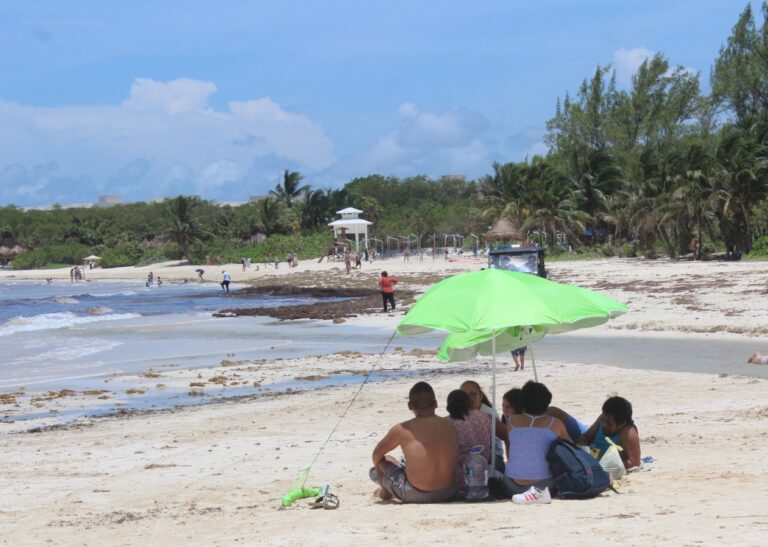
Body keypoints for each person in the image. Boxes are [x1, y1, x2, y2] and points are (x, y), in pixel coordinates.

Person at [370, 382, 458, 503]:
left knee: (381, 463)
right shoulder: (450, 425)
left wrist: (380, 473)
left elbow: (376, 455)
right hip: (450, 491)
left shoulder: (402, 429)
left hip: (416, 493)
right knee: (394, 462)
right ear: (436, 403)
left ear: (410, 406)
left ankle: (385, 492)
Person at [489, 381, 570, 503]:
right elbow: (571, 448)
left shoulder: (511, 422)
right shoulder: (555, 423)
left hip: (512, 486)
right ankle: (535, 494)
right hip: (545, 485)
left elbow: (511, 453)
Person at [446, 389, 493, 498]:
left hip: (459, 481)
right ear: (470, 402)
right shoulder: (484, 417)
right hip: (484, 477)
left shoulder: (447, 423)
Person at [502, 388, 589, 444]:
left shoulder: (548, 414)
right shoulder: (508, 421)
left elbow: (576, 438)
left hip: (582, 435)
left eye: (508, 407)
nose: (504, 410)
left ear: (519, 407)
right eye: (503, 406)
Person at [580, 396, 640, 470]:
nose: (604, 425)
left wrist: (604, 466)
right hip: (592, 454)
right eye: (603, 420)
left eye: (609, 423)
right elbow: (586, 437)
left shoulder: (629, 434)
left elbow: (635, 463)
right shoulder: (604, 418)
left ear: (621, 424)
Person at [460, 380, 507, 472]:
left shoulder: (487, 413)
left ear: (481, 396)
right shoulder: (460, 413)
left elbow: (503, 436)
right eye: (464, 396)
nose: (469, 399)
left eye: (473, 394)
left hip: (491, 457)